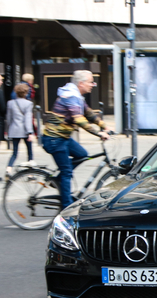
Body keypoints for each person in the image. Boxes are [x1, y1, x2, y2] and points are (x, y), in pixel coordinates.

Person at [41, 70, 110, 209]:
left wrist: (104, 126)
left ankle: (59, 179)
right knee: (67, 171)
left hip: (63, 137)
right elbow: (79, 119)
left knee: (82, 155)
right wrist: (99, 134)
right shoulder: (70, 96)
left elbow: (88, 113)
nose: (93, 85)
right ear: (81, 83)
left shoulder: (77, 96)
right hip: (54, 139)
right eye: (91, 82)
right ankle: (66, 207)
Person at [5, 83, 36, 179]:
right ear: (26, 93)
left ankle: (8, 169)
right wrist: (30, 132)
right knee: (29, 152)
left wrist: (8, 129)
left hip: (14, 130)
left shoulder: (10, 103)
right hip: (25, 131)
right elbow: (27, 119)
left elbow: (9, 118)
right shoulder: (29, 104)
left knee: (14, 153)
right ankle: (30, 174)